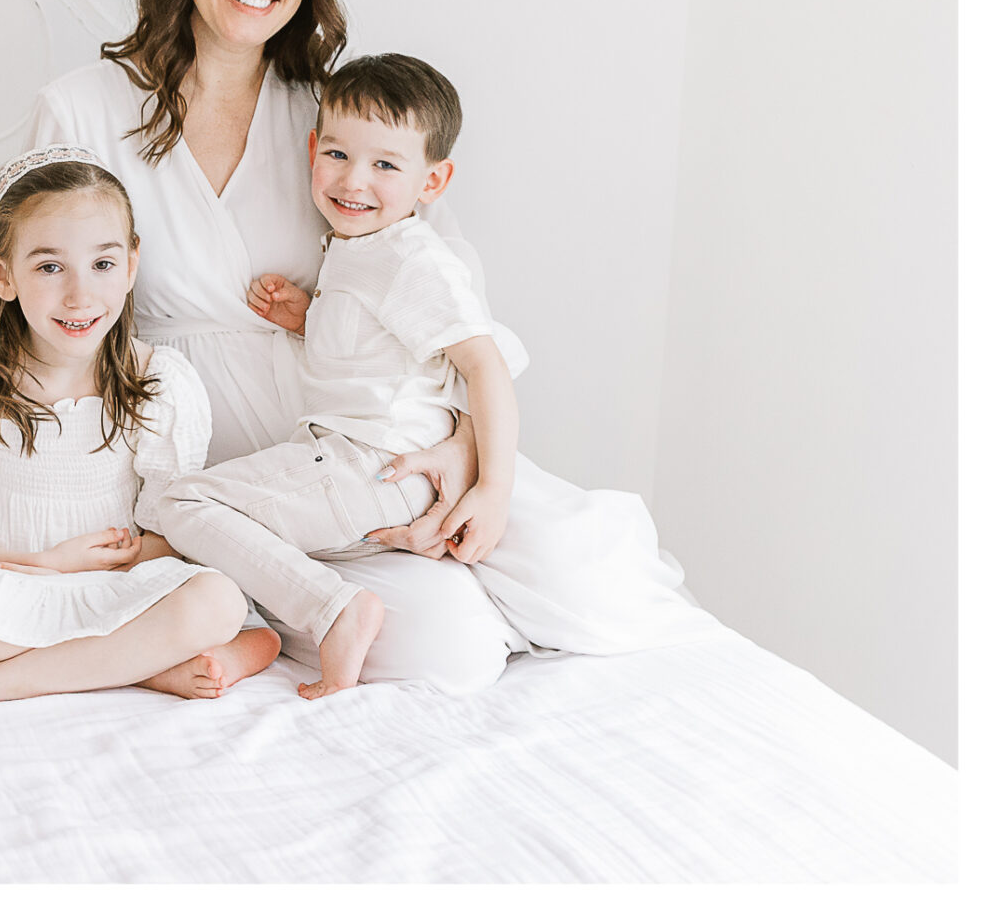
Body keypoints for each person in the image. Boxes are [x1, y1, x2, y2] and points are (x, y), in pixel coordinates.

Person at [29, 0, 703, 693]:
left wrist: (465, 446)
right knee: (442, 650)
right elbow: (37, 324)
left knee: (585, 590)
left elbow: (453, 293)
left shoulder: (339, 118)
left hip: (372, 440)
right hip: (221, 465)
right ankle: (254, 599)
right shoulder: (82, 112)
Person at [161, 53, 717, 699]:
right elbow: (379, 353)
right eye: (338, 154)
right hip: (371, 466)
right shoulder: (355, 248)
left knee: (178, 502)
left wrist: (494, 488)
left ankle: (330, 608)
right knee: (222, 522)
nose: (353, 180)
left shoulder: (410, 256)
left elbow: (485, 365)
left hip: (372, 464)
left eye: (386, 165)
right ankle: (295, 615)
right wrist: (305, 317)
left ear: (433, 180)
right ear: (313, 148)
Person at [0, 148, 280, 713]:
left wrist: (107, 563)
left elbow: (174, 534)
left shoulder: (159, 383)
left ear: (132, 263)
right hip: (1, 589)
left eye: (103, 264)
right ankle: (129, 666)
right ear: (1, 273)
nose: (79, 295)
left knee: (216, 600)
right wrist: (48, 564)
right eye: (49, 267)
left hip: (116, 589)